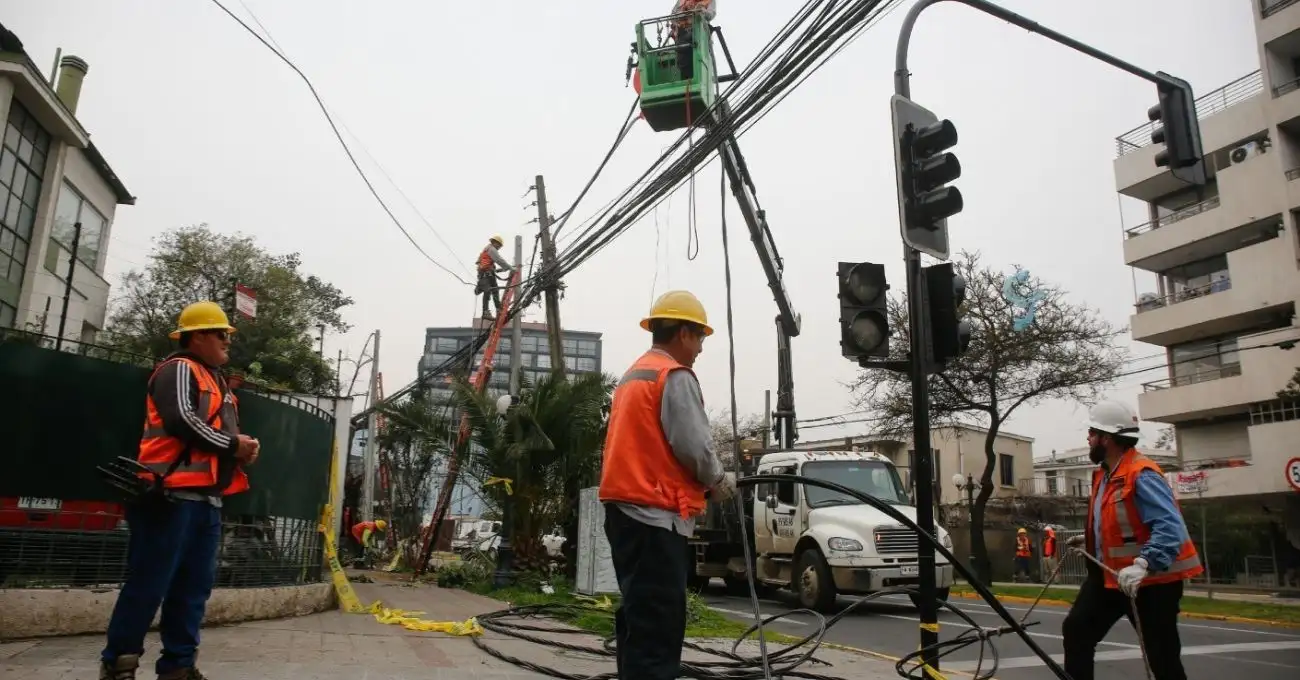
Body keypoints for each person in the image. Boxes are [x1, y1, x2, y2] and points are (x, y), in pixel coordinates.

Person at [101, 301, 260, 680]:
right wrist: (233, 445)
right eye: (221, 334)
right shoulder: (177, 369)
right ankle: (119, 664)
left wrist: (244, 449)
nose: (227, 341)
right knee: (148, 585)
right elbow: (181, 420)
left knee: (192, 590)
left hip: (206, 501)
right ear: (198, 336)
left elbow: (215, 433)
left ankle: (178, 667)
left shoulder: (216, 379)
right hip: (168, 497)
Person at [599, 290, 735, 680]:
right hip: (655, 516)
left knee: (639, 618)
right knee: (659, 626)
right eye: (700, 337)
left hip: (625, 513)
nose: (701, 348)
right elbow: (694, 446)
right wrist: (718, 480)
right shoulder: (673, 376)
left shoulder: (633, 375)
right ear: (684, 333)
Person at [1061, 399, 1203, 680]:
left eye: (1092, 432)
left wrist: (1144, 563)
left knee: (1162, 658)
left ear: (1107, 438)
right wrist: (1089, 539)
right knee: (1077, 630)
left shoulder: (1141, 474)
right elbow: (1121, 522)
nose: (1088, 438)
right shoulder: (1105, 474)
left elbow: (1168, 525)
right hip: (1110, 579)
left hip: (1152, 584)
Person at [669, 0, 716, 81]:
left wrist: (701, 11)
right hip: (683, 33)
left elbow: (710, 15)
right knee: (682, 59)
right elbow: (672, 17)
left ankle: (692, 77)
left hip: (700, 32)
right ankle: (687, 78)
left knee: (694, 53)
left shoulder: (709, 1)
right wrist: (685, 12)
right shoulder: (681, 1)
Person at [476, 235, 512, 319]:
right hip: (485, 275)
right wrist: (510, 268)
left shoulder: (487, 250)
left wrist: (499, 269)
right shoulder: (491, 249)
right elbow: (499, 260)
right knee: (487, 291)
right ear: (495, 243)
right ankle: (486, 312)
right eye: (499, 245)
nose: (499, 247)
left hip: (489, 274)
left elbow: (489, 263)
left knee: (495, 291)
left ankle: (498, 309)